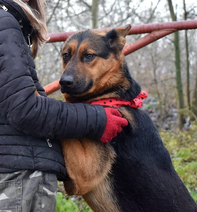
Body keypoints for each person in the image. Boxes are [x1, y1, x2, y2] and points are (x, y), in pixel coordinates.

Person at [0, 0, 128, 211]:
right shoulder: (5, 24)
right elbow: (25, 109)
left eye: (88, 57)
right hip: (19, 176)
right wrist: (98, 119)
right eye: (66, 57)